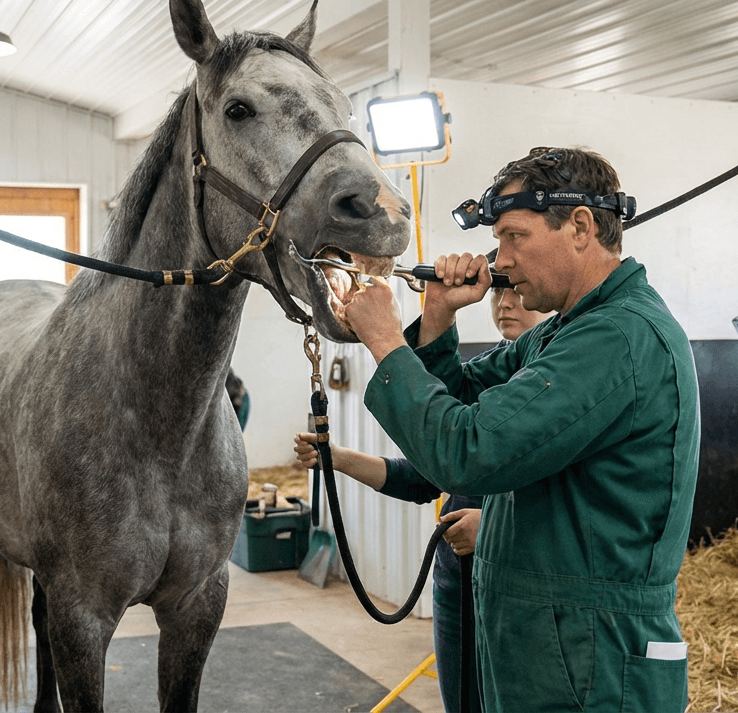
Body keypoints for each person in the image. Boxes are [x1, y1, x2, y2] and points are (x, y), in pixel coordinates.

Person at [336, 147, 700, 712]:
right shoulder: (559, 333)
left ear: (579, 226)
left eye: (513, 237)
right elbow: (457, 404)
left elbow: (467, 452)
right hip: (548, 639)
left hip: (592, 654)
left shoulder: (617, 339)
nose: (498, 262)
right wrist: (437, 318)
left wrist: (385, 340)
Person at [294, 286, 550, 713]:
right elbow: (424, 477)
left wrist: (491, 528)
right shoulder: (484, 375)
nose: (505, 303)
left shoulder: (559, 387)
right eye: (498, 293)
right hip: (456, 582)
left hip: (518, 593)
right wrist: (336, 458)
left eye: (518, 292)